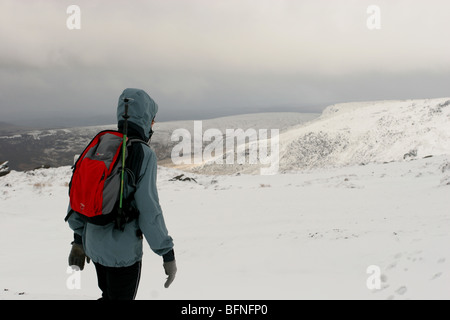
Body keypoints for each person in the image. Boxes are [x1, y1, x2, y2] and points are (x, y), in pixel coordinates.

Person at [66, 88, 177, 300]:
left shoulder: (101, 144)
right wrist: (166, 252)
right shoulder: (143, 153)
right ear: (146, 120)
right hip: (123, 254)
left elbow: (78, 196)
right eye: (152, 121)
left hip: (94, 246)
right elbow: (149, 210)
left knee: (107, 295)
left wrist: (78, 240)